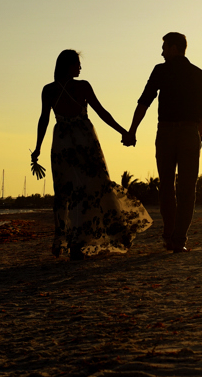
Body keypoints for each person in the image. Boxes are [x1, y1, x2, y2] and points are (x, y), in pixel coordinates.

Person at [32, 50, 152, 260]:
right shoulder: (82, 86)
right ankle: (79, 242)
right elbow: (102, 112)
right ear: (67, 65)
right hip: (84, 139)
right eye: (77, 64)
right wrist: (123, 131)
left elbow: (44, 120)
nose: (80, 68)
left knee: (66, 192)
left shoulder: (49, 90)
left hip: (62, 142)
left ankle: (71, 242)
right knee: (93, 188)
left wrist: (38, 148)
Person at [125, 33, 202, 253]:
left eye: (164, 47)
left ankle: (171, 236)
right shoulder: (200, 75)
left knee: (167, 187)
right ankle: (178, 239)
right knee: (186, 189)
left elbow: (144, 101)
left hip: (167, 132)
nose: (162, 52)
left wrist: (132, 131)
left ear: (174, 48)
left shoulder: (161, 70)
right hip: (189, 132)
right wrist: (196, 136)